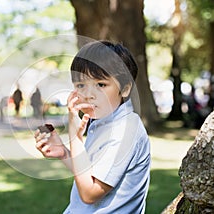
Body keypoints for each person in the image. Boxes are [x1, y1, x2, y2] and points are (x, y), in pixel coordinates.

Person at [34, 40, 150, 213]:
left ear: (125, 89)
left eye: (101, 85)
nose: (88, 95)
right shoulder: (104, 121)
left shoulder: (125, 130)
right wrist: (64, 153)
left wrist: (75, 136)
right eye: (81, 85)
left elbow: (90, 193)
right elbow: (89, 174)